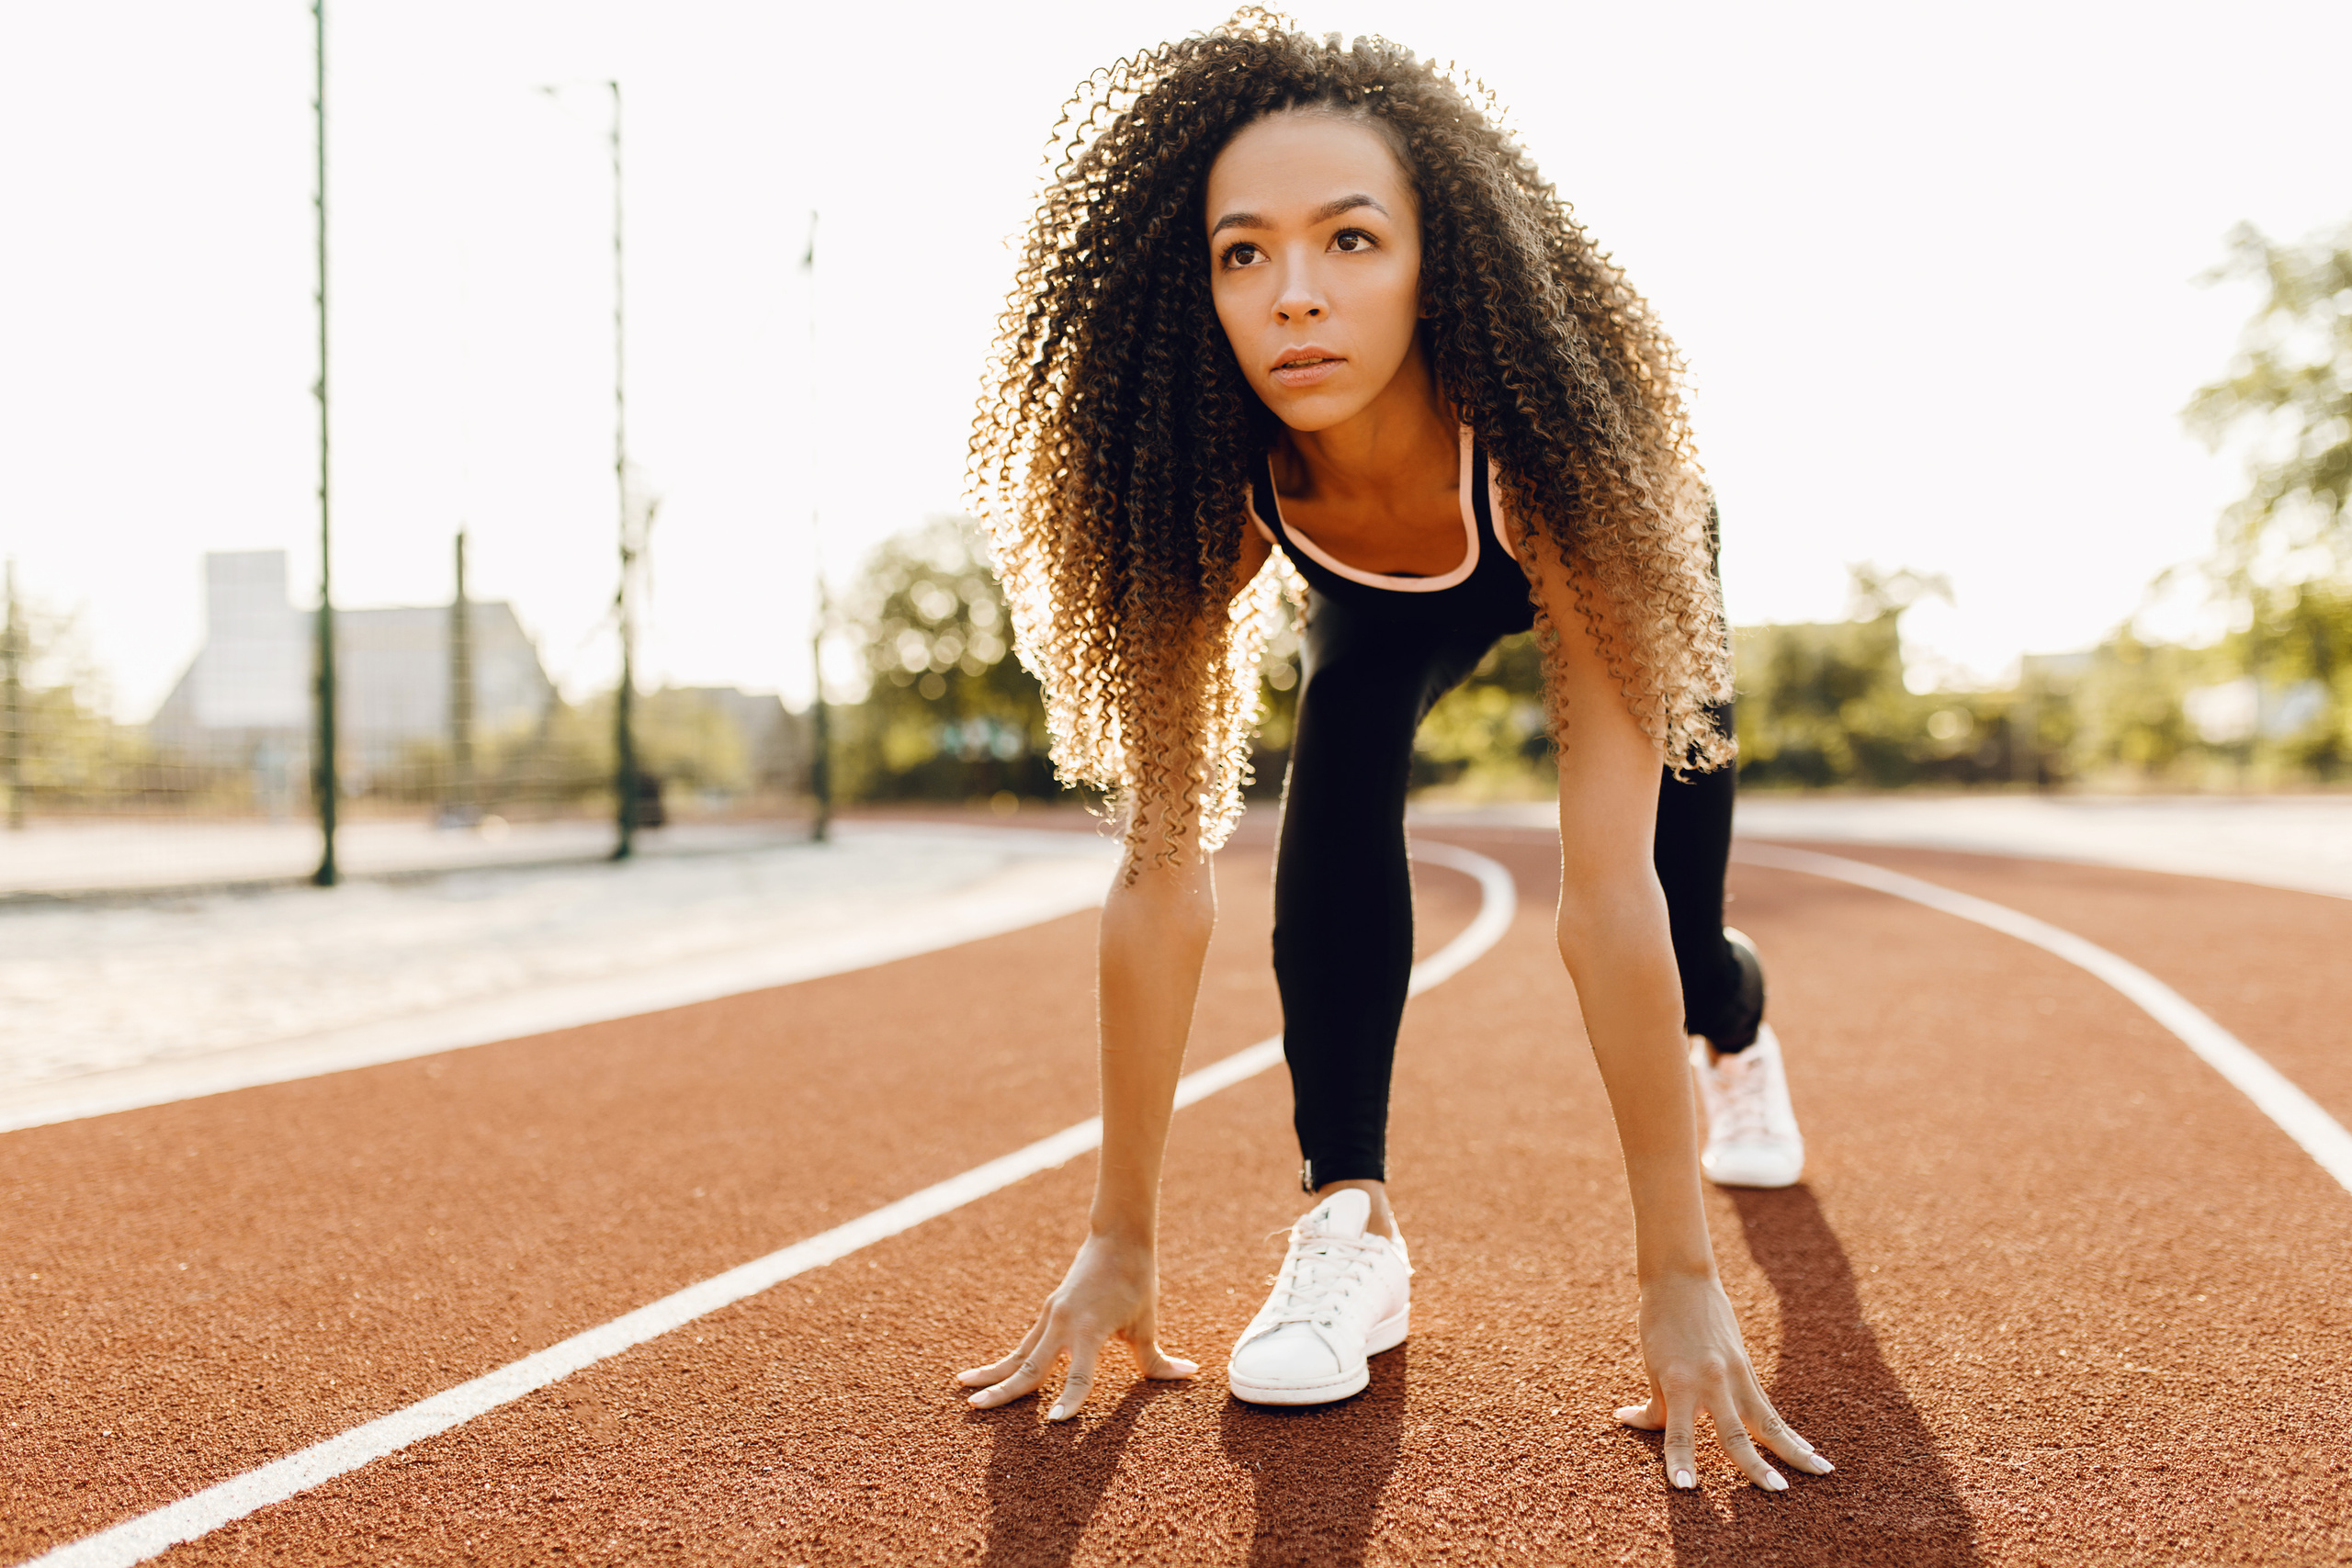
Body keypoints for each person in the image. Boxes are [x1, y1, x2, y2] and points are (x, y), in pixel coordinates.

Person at [958, 16, 1824, 1492]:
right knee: (1339, 755)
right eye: (1245, 254)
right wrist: (1119, 1236)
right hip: (1377, 587)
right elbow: (1160, 879)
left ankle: (1737, 1034)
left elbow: (1596, 894)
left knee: (1674, 912)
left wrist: (1676, 1279)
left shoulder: (1574, 454)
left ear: (1442, 258)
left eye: (1351, 240)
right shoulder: (1220, 483)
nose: (1295, 296)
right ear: (1197, 286)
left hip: (1597, 539)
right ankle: (1346, 1219)